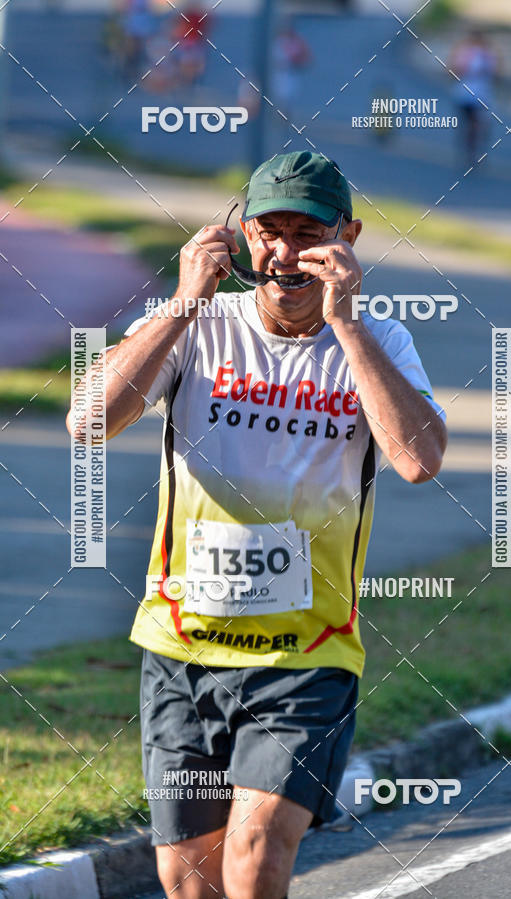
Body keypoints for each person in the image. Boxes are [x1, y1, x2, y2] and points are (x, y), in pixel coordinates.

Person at [67, 151, 447, 899]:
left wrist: (347, 327)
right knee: (188, 878)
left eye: (310, 233)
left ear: (350, 238)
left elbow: (419, 460)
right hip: (182, 645)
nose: (288, 253)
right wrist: (181, 301)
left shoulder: (380, 342)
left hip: (306, 655)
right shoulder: (198, 325)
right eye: (271, 232)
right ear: (242, 236)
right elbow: (87, 423)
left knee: (256, 853)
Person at [450, 29, 501, 164]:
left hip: (480, 95)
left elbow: (497, 73)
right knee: (471, 123)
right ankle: (470, 148)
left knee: (476, 123)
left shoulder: (487, 55)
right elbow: (453, 70)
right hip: (466, 94)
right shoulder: (466, 52)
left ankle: (472, 148)